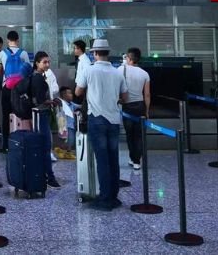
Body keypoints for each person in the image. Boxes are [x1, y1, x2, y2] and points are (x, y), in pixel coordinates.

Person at [74, 39, 128, 211]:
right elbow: (125, 97)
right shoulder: (118, 72)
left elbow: (78, 92)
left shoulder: (89, 70)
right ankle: (113, 196)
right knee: (113, 159)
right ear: (108, 53)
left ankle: (105, 198)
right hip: (113, 119)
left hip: (96, 119)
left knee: (102, 160)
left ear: (95, 53)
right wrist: (113, 100)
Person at [28, 51, 61, 188]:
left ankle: (43, 175)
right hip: (41, 114)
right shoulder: (38, 78)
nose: (47, 64)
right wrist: (51, 102)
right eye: (44, 62)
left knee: (43, 146)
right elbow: (39, 99)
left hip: (39, 115)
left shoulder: (36, 76)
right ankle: (50, 177)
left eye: (48, 62)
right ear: (37, 63)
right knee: (46, 146)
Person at [0, 30, 30, 152]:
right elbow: (28, 71)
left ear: (8, 40)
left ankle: (5, 146)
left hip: (7, 88)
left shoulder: (2, 53)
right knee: (20, 115)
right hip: (20, 90)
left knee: (5, 116)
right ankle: (19, 143)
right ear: (18, 40)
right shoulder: (23, 53)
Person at [119, 47, 151, 170]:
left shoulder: (121, 69)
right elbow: (147, 94)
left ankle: (133, 158)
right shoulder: (144, 74)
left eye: (126, 57)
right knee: (138, 135)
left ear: (130, 58)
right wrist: (147, 111)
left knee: (129, 134)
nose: (125, 59)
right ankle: (137, 160)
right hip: (140, 106)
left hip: (127, 106)